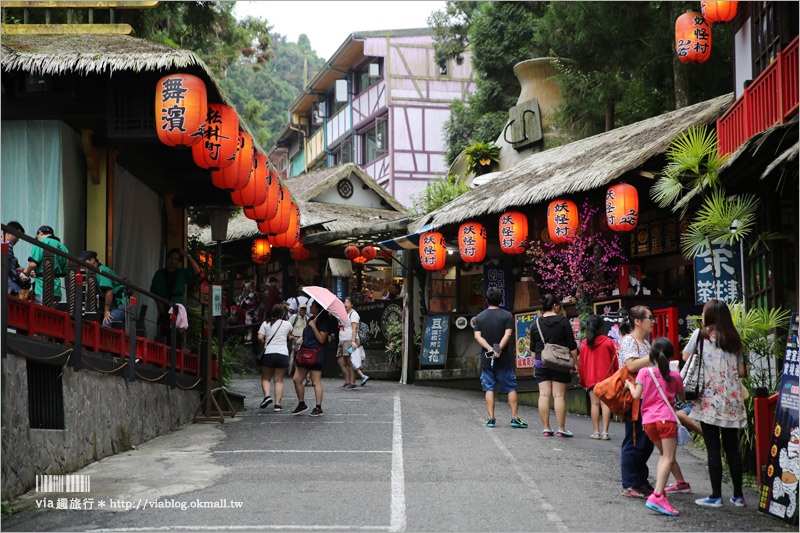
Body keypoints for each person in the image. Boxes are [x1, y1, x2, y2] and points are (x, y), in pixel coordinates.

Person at [682, 299, 747, 508]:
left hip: (709, 398)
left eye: (703, 312)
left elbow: (686, 357)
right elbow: (742, 372)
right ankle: (738, 496)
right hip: (732, 400)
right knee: (732, 449)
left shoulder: (700, 334)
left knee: (713, 448)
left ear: (709, 315)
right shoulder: (734, 337)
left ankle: (716, 496)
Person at [626, 337, 687, 516]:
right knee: (668, 458)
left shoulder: (644, 372)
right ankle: (658, 495)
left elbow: (637, 395)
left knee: (664, 456)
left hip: (648, 422)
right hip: (666, 420)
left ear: (651, 354)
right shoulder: (675, 375)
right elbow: (681, 397)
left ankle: (667, 490)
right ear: (671, 356)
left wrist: (629, 384)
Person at [617, 305, 656, 499]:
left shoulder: (646, 344)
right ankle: (629, 483)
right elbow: (630, 365)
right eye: (650, 317)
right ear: (637, 321)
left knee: (646, 442)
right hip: (633, 398)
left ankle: (641, 480)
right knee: (633, 441)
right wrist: (653, 357)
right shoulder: (629, 341)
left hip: (647, 397)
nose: (653, 321)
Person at [475, 287, 527, 429]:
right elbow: (508, 335)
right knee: (510, 387)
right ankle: (514, 418)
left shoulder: (480, 317)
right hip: (503, 358)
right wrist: (498, 350)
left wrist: (490, 349)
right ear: (500, 300)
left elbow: (477, 336)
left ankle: (491, 418)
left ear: (487, 300)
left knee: (489, 388)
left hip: (487, 358)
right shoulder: (507, 316)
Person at [529, 294, 577, 437]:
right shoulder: (563, 321)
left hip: (541, 361)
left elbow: (532, 348)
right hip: (560, 362)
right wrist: (574, 363)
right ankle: (561, 428)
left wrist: (534, 366)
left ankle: (546, 428)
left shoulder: (536, 323)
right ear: (555, 306)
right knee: (558, 395)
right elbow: (572, 346)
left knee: (543, 395)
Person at [579, 315, 618, 440]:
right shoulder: (608, 342)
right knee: (605, 404)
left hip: (591, 379)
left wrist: (582, 380)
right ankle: (605, 432)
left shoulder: (585, 344)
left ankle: (596, 432)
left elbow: (582, 364)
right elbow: (615, 362)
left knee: (594, 405)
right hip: (607, 379)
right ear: (601, 328)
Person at [291, 300, 332, 416]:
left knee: (315, 381)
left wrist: (314, 327)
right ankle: (301, 403)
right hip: (305, 352)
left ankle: (318, 407)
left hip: (316, 354)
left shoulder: (323, 322)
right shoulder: (310, 319)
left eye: (313, 305)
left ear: (318, 308)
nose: (310, 307)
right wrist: (303, 339)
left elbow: (322, 339)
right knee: (296, 379)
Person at [150, 248, 200, 340]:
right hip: (164, 303)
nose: (173, 261)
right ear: (168, 258)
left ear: (178, 261)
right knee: (164, 330)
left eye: (176, 259)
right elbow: (153, 291)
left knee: (177, 333)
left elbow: (197, 271)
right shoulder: (159, 274)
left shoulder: (182, 273)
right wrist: (159, 303)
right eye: (171, 258)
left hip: (178, 305)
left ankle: (176, 352)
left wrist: (187, 255)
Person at [257, 304, 294, 412]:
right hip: (283, 354)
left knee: (266, 378)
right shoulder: (287, 324)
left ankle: (267, 396)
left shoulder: (266, 323)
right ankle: (277, 405)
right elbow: (290, 332)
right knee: (279, 380)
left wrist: (265, 343)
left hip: (269, 353)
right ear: (283, 313)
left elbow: (260, 337)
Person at [22, 225, 69, 305]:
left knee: (41, 314)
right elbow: (63, 273)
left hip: (42, 288)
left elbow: (33, 264)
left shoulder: (41, 242)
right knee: (53, 315)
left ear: (40, 233)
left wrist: (26, 271)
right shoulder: (63, 248)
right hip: (57, 290)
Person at [79, 251, 125, 327]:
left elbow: (109, 290)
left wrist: (106, 311)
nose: (83, 265)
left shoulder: (101, 271)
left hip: (122, 302)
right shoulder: (92, 272)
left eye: (85, 261)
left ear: (92, 260)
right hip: (113, 304)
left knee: (107, 322)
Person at [337, 297, 360, 390]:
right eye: (344, 302)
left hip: (350, 340)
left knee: (350, 360)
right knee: (341, 361)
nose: (345, 304)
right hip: (342, 340)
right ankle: (347, 381)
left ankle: (352, 382)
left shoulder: (353, 314)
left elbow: (354, 328)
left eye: (347, 302)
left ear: (352, 304)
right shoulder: (343, 314)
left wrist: (353, 342)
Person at [3, 221, 26, 295]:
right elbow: (5, 265)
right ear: (9, 233)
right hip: (11, 286)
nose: (17, 240)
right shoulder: (7, 244)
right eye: (17, 236)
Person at [288, 302, 309, 374]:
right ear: (299, 309)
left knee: (304, 355)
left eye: (304, 309)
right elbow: (287, 327)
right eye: (302, 309)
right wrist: (289, 336)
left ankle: (302, 371)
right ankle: (296, 370)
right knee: (296, 355)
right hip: (296, 338)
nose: (303, 311)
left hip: (304, 339)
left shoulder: (307, 318)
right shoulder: (294, 317)